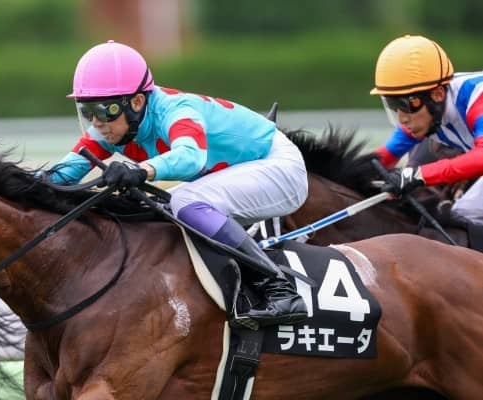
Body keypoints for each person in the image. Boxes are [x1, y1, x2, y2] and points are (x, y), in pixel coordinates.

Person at [43, 40, 308, 327]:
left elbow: (190, 157)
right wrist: (8, 186)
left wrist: (140, 171)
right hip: (237, 173)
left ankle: (279, 289)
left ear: (137, 102)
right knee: (151, 207)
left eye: (105, 110)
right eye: (88, 111)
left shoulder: (176, 109)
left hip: (279, 168)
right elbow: (59, 176)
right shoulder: (110, 129)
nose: (97, 122)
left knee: (184, 202)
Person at [371, 34, 483, 227]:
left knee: (466, 212)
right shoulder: (426, 113)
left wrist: (418, 175)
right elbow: (382, 158)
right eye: (393, 104)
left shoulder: (476, 97)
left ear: (437, 94)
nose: (402, 118)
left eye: (406, 104)